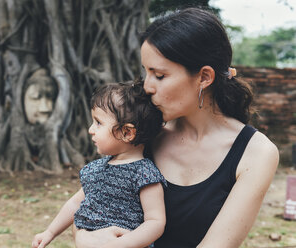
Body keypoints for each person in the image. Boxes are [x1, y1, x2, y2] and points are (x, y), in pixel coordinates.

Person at [74, 7, 279, 248]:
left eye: (159, 75)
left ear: (204, 77)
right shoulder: (145, 133)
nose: (147, 86)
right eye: (146, 72)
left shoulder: (255, 154)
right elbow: (88, 208)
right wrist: (85, 237)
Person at [32, 80, 167, 248]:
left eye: (98, 123)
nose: (90, 129)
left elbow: (155, 222)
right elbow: (75, 204)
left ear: (126, 132)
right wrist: (50, 232)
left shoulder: (145, 174)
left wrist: (119, 245)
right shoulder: (96, 169)